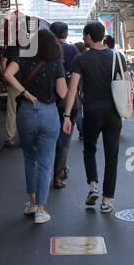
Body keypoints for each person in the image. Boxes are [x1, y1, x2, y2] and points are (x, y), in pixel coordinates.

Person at [3, 28, 67, 225]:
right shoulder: (56, 63)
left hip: (27, 112)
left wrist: (25, 93)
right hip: (48, 113)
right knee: (46, 162)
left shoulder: (23, 57)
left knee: (29, 158)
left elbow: (7, 74)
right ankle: (41, 209)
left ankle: (31, 203)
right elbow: (63, 93)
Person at [63, 21, 122, 213]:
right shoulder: (118, 57)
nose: (83, 38)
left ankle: (93, 186)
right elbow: (127, 84)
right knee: (111, 155)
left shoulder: (81, 59)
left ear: (89, 36)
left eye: (83, 35)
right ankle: (107, 201)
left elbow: (72, 90)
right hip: (114, 113)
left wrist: (66, 115)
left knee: (89, 149)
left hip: (91, 112)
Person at [49, 22, 80, 189]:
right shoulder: (72, 50)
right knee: (65, 137)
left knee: (48, 137)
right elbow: (78, 79)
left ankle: (46, 172)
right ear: (66, 35)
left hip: (49, 100)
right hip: (69, 100)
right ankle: (59, 176)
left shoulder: (44, 51)